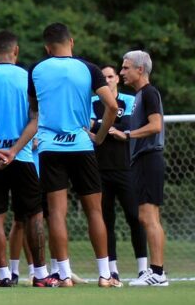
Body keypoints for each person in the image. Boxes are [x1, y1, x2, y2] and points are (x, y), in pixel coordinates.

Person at [28, 23, 119, 288]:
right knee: (95, 211)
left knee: (56, 213)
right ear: (72, 41)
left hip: (49, 147)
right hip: (80, 145)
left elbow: (34, 109)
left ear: (47, 47)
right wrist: (99, 137)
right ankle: (105, 275)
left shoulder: (36, 69)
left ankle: (65, 275)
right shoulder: (88, 69)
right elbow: (111, 106)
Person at [0, 31, 56, 288]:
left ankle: (4, 273)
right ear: (16, 51)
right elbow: (35, 120)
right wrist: (14, 150)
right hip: (23, 156)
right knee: (33, 214)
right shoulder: (28, 77)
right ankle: (39, 273)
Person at [91, 65, 148, 280]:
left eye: (110, 76)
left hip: (126, 168)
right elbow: (90, 125)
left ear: (116, 79)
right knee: (106, 220)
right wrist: (108, 127)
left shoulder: (129, 100)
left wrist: (103, 127)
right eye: (103, 77)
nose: (107, 80)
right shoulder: (92, 103)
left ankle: (143, 267)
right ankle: (111, 268)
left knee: (135, 217)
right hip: (99, 169)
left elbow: (128, 124)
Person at [118, 51, 167, 287]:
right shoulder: (138, 95)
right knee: (146, 217)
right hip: (141, 161)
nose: (121, 72)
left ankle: (158, 273)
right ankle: (155, 271)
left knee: (149, 217)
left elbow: (156, 125)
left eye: (126, 68)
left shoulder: (149, 92)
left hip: (149, 159)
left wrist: (127, 134)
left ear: (140, 69)